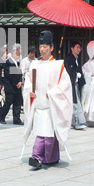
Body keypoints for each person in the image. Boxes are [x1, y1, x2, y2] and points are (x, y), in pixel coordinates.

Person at [22, 31, 73, 170]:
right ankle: (39, 157)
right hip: (38, 104)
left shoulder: (58, 66)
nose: (42, 49)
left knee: (49, 135)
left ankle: (46, 158)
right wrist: (29, 92)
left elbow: (65, 86)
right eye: (41, 46)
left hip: (51, 105)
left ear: (52, 48)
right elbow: (28, 83)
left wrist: (52, 93)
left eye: (45, 46)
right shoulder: (34, 65)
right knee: (41, 133)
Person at [0, 43, 23, 125]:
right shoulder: (8, 62)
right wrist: (16, 83)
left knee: (18, 103)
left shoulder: (17, 62)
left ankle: (16, 119)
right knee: (8, 103)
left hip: (17, 86)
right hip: (10, 86)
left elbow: (19, 74)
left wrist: (20, 81)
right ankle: (1, 116)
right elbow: (9, 75)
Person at [64, 40, 87, 130]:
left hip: (75, 83)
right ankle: (76, 122)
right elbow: (67, 71)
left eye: (79, 48)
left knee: (75, 102)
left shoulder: (77, 58)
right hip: (70, 83)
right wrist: (75, 74)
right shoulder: (68, 58)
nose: (79, 49)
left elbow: (78, 70)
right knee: (74, 103)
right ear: (72, 49)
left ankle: (73, 122)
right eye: (77, 47)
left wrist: (80, 79)